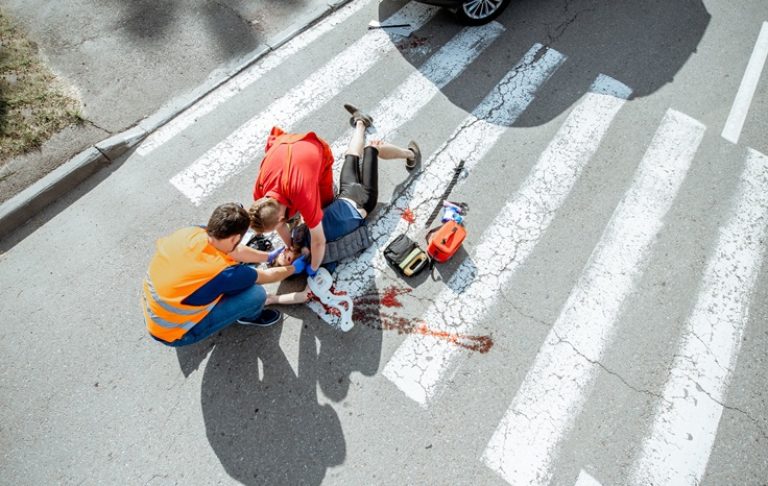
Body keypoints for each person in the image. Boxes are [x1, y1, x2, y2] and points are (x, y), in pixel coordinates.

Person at [264, 107, 422, 306]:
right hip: (362, 201)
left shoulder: (299, 235)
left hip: (344, 195)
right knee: (372, 149)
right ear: (293, 266)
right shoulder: (320, 262)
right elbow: (306, 295)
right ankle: (410, 154)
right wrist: (273, 299)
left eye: (283, 254)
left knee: (351, 155)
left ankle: (361, 122)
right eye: (286, 260)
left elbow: (284, 223)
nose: (286, 254)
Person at [141, 203, 310, 347]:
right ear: (235, 237)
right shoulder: (224, 273)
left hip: (155, 307)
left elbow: (235, 250)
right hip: (175, 332)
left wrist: (268, 256)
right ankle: (250, 316)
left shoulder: (194, 232)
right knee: (256, 295)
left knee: (220, 283)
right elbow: (268, 276)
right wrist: (294, 268)